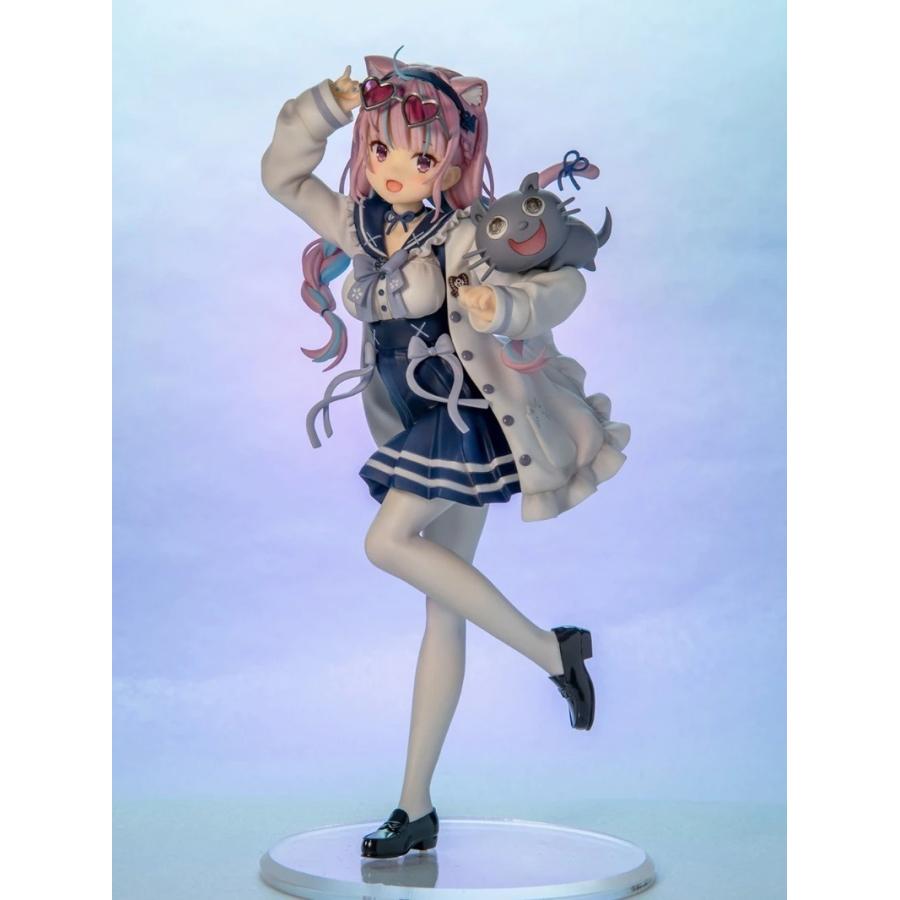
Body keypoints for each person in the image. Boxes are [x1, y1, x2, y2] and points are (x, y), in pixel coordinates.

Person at [261, 50, 630, 859]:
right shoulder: (358, 224)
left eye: (421, 158)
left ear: (454, 166)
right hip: (408, 426)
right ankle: (416, 806)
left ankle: (550, 650)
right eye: (380, 148)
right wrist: (326, 104)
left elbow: (561, 281)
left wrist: (502, 306)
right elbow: (282, 175)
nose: (396, 169)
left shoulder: (463, 234)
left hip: (462, 422)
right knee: (444, 606)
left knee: (387, 543)